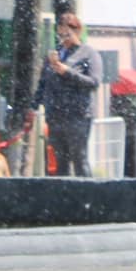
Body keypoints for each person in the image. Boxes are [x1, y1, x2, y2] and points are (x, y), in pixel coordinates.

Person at [38, 12, 99, 177]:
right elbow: (43, 83)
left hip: (78, 115)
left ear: (77, 32)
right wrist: (34, 106)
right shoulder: (54, 55)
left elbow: (94, 82)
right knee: (60, 160)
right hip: (56, 115)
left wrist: (68, 72)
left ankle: (87, 196)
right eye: (60, 34)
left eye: (67, 34)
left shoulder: (88, 53)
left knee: (79, 158)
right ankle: (63, 197)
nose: (64, 38)